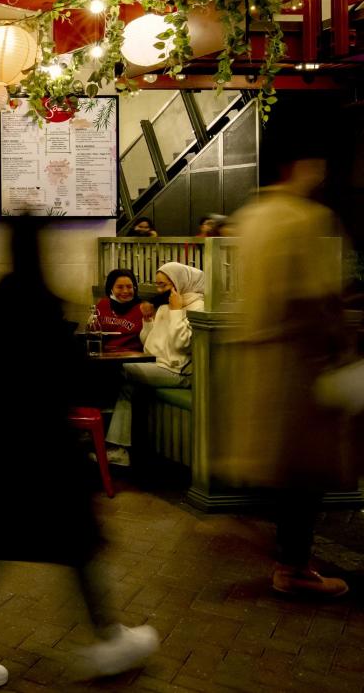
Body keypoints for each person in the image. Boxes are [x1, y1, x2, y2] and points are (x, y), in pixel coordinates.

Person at [0, 220, 159, 688]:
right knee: (79, 544)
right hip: (48, 453)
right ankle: (108, 637)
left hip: (4, 450)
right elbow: (72, 378)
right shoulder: (44, 310)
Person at [219, 146, 355, 599]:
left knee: (282, 467)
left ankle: (275, 546)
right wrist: (339, 349)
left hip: (258, 362)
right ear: (302, 164)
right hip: (298, 365)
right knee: (306, 471)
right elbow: (317, 297)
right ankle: (293, 567)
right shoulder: (304, 220)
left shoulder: (253, 217)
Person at [104, 263, 205, 466]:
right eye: (157, 285)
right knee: (127, 387)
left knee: (119, 370)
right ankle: (118, 449)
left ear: (179, 283)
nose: (159, 291)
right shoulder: (166, 305)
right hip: (159, 365)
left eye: (164, 285)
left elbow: (182, 344)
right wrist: (148, 320)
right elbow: (147, 342)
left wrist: (177, 311)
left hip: (179, 372)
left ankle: (106, 437)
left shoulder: (196, 307)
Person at [95, 269, 144, 354]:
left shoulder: (142, 308)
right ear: (111, 289)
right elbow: (94, 333)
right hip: (103, 355)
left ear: (134, 288)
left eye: (129, 287)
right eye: (120, 287)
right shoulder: (102, 304)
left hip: (131, 357)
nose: (125, 291)